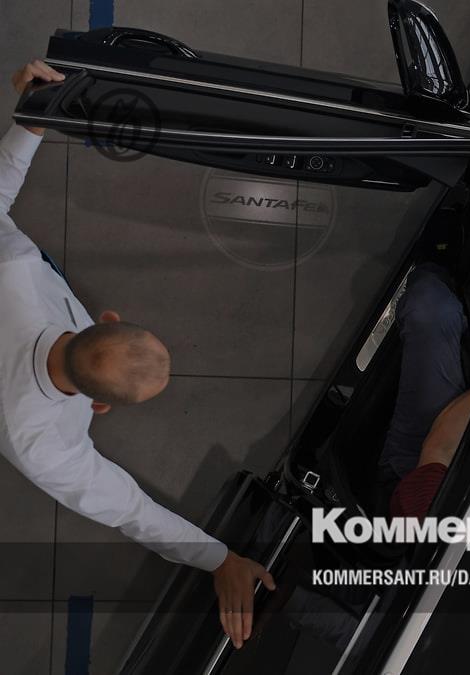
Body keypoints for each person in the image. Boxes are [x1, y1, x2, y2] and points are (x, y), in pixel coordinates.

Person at [0, 60, 273, 649]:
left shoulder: (13, 269)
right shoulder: (41, 448)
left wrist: (33, 116)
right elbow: (128, 509)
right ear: (99, 406)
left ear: (108, 320)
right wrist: (218, 559)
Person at [376, 262, 470, 519]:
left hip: (421, 464)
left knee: (430, 307)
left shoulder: (427, 518)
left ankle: (436, 260)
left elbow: (440, 447)